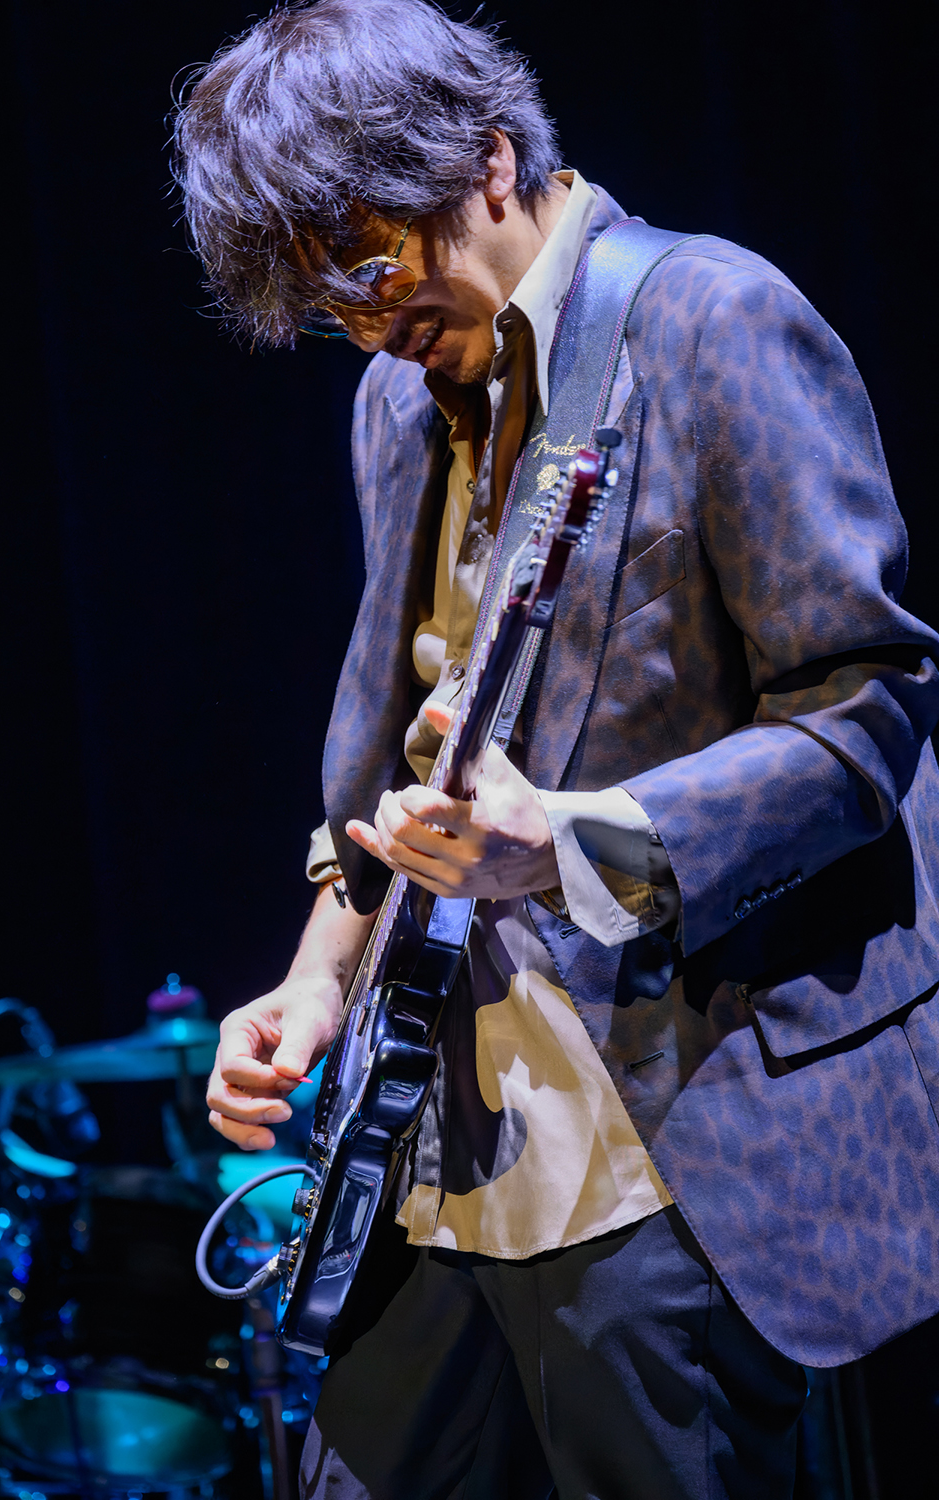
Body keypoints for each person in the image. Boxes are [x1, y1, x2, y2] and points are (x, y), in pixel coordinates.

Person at [174, 3, 939, 1496]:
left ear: (487, 162)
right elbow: (397, 768)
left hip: (666, 1160)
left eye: (371, 267)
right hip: (433, 1156)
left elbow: (869, 709)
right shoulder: (393, 403)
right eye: (326, 304)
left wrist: (576, 845)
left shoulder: (712, 321)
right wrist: (317, 980)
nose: (365, 326)